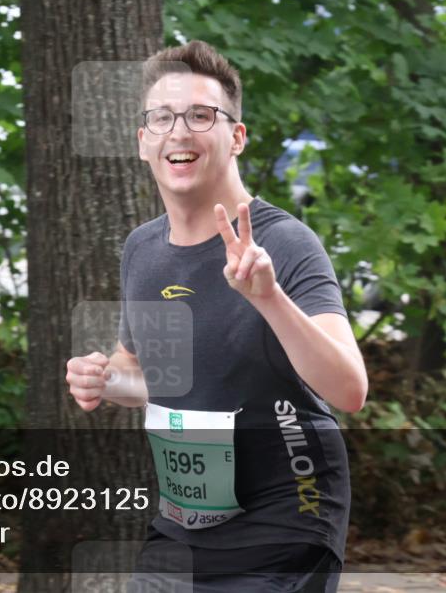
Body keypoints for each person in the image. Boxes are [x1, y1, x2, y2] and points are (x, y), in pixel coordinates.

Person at [65, 40, 368, 592]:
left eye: (201, 115)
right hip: (185, 522)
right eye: (162, 117)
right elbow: (147, 375)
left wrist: (269, 298)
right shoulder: (142, 249)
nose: (179, 132)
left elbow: (349, 389)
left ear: (237, 136)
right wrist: (105, 378)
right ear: (142, 141)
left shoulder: (285, 243)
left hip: (289, 511)